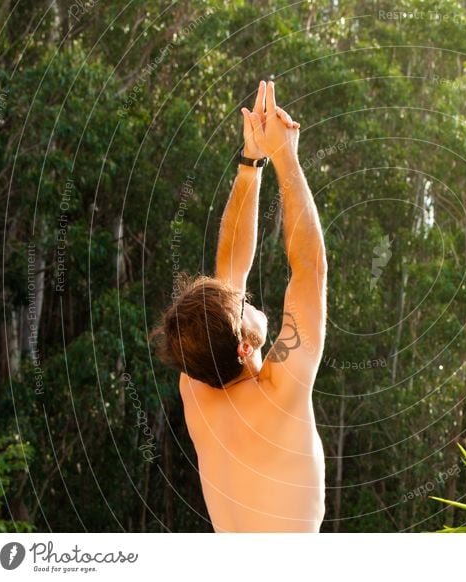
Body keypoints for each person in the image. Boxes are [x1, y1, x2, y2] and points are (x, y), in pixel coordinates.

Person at [151, 81, 327, 532]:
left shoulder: (198, 387)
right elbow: (309, 270)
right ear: (243, 348)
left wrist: (252, 164)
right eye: (242, 304)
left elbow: (228, 272)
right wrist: (285, 154)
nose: (244, 294)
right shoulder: (280, 396)